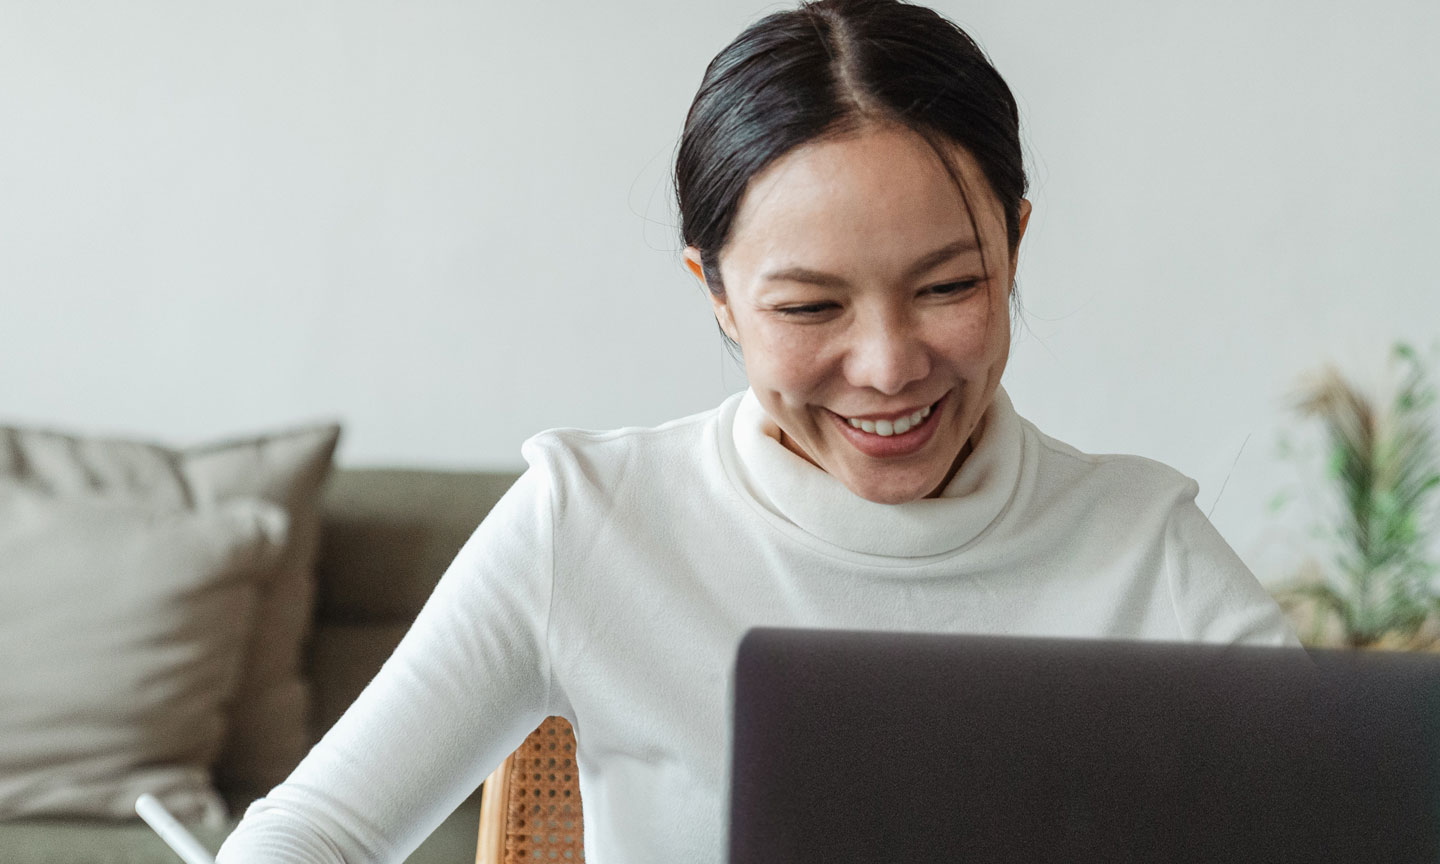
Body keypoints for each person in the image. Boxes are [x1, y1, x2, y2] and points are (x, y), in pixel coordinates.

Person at [216, 0, 1299, 861]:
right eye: (809, 307)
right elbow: (320, 833)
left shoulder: (1145, 547)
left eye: (951, 285)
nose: (886, 367)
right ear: (718, 295)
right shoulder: (591, 522)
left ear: (1015, 245)